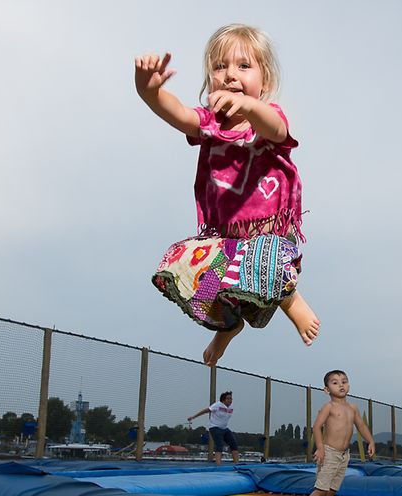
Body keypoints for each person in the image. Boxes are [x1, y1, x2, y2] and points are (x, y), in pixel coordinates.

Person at [136, 24, 319, 367]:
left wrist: (248, 107)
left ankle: (290, 300)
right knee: (202, 286)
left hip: (267, 230)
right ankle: (228, 327)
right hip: (224, 236)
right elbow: (179, 113)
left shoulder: (266, 117)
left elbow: (276, 129)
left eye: (243, 66)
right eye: (220, 67)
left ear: (264, 82)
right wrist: (148, 92)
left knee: (263, 264)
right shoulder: (209, 123)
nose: (230, 75)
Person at [308, 370, 375, 496]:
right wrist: (320, 448)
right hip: (329, 453)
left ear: (348, 386)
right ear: (327, 390)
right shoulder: (329, 407)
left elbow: (361, 426)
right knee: (321, 489)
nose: (341, 385)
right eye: (335, 383)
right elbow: (316, 426)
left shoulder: (353, 408)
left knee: (332, 490)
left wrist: (371, 441)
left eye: (344, 382)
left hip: (344, 455)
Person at [187, 391, 239, 465]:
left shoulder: (231, 407)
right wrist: (193, 417)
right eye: (228, 399)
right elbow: (205, 411)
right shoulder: (217, 405)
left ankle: (237, 463)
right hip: (215, 427)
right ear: (223, 400)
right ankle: (218, 464)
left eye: (231, 399)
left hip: (224, 428)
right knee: (219, 445)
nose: (230, 400)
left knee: (233, 444)